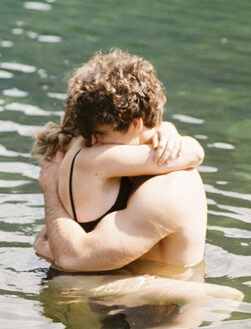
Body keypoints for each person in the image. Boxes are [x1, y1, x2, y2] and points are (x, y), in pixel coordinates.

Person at [33, 49, 208, 275]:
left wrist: (167, 129)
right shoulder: (101, 156)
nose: (94, 142)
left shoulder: (75, 148)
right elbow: (194, 153)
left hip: (87, 276)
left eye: (101, 134)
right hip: (109, 282)